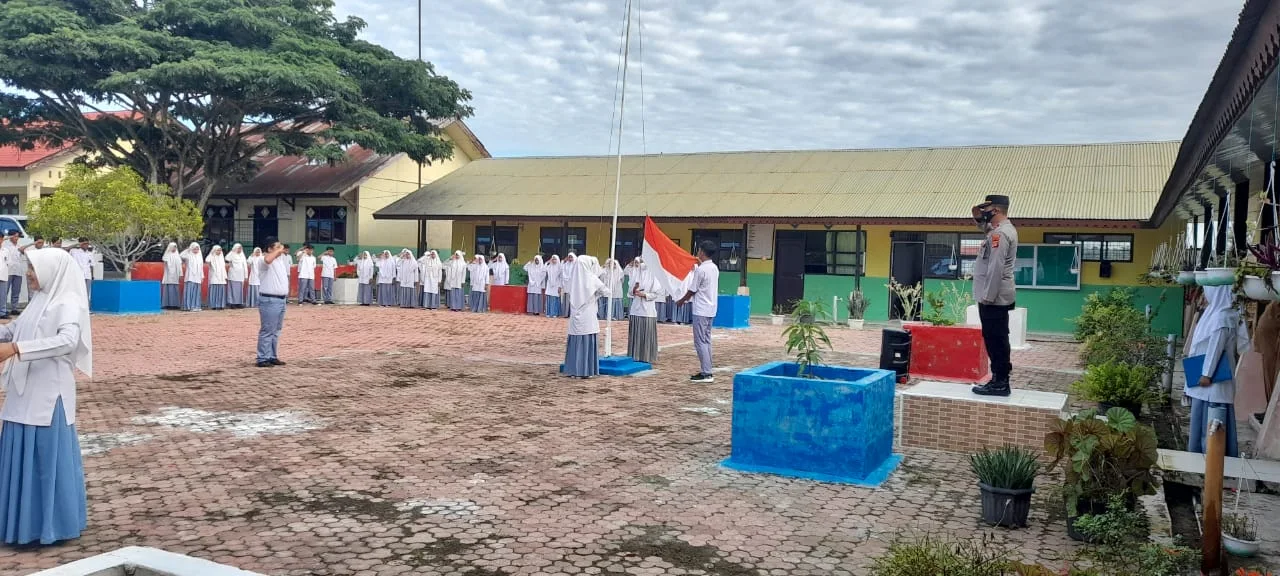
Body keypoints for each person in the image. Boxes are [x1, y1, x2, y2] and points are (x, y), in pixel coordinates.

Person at [0, 248, 92, 545]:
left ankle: (50, 526)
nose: (28, 273)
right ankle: (18, 525)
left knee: (44, 458)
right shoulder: (40, 299)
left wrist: (16, 350)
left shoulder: (68, 302)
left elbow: (67, 341)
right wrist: (8, 338)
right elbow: (15, 329)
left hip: (49, 394)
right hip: (23, 388)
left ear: (51, 269)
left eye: (33, 268)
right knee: (19, 451)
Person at [970, 194, 1019, 397]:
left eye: (987, 210)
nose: (985, 213)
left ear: (996, 210)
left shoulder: (1002, 234)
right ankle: (998, 379)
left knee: (996, 339)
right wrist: (977, 218)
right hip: (994, 296)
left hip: (994, 297)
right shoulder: (998, 231)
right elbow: (986, 229)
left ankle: (1000, 382)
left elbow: (996, 268)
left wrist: (987, 297)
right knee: (993, 337)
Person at [1186, 285, 1242, 457]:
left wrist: (1206, 374)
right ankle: (1200, 459)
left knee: (1212, 422)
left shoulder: (1223, 317)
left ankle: (1212, 464)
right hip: (1203, 377)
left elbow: (1215, 348)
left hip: (1213, 379)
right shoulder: (1213, 313)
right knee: (1201, 419)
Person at [676, 240, 720, 384]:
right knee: (706, 340)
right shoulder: (713, 268)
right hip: (711, 309)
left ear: (702, 252)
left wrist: (681, 300)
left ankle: (706, 373)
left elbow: (693, 289)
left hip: (701, 309)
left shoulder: (701, 270)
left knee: (700, 341)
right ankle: (707, 369)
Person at [562, 256, 609, 378]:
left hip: (575, 316)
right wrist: (597, 294)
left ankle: (573, 369)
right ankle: (585, 370)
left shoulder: (572, 279)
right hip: (588, 315)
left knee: (576, 340)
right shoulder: (591, 279)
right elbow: (607, 291)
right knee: (586, 338)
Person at [254, 237, 290, 368]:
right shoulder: (262, 260)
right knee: (268, 329)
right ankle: (262, 357)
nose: (281, 249)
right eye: (277, 247)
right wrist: (277, 251)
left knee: (276, 330)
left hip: (281, 300)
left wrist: (279, 251)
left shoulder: (280, 260)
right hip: (269, 299)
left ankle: (272, 355)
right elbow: (268, 259)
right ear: (269, 249)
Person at [627, 257, 664, 364]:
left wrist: (645, 295)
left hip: (648, 309)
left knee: (646, 333)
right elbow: (630, 292)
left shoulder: (653, 275)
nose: (639, 267)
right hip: (636, 308)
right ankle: (634, 355)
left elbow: (656, 293)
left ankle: (646, 356)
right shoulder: (635, 275)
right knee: (635, 333)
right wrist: (634, 290)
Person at [4, 231, 24, 314]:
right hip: (8, 272)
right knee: (5, 291)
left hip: (18, 271)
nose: (17, 238)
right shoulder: (6, 246)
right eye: (15, 236)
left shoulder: (20, 246)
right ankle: (3, 309)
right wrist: (9, 237)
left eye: (18, 236)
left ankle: (14, 308)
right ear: (10, 237)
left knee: (16, 291)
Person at [181, 243, 204, 312]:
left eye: (197, 248)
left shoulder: (200, 256)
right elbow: (181, 255)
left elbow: (201, 267)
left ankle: (196, 306)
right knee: (190, 291)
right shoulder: (188, 255)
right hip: (190, 276)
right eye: (194, 248)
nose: (196, 250)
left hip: (197, 277)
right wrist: (188, 249)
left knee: (196, 292)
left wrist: (202, 276)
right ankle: (188, 306)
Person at [160, 242, 183, 310]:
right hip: (168, 275)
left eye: (175, 247)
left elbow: (180, 266)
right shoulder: (167, 255)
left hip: (175, 276)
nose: (174, 248)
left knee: (175, 289)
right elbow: (164, 260)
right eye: (173, 247)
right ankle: (166, 304)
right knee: (168, 289)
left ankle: (175, 305)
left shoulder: (177, 256)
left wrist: (181, 274)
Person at [205, 245, 228, 310]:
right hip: (214, 276)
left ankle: (220, 305)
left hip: (221, 277)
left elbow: (223, 268)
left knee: (220, 291)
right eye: (218, 250)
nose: (219, 252)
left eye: (220, 250)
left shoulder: (221, 257)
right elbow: (207, 260)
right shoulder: (212, 257)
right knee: (214, 290)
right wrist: (211, 254)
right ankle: (213, 305)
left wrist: (225, 276)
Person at [226, 244, 248, 309]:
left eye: (240, 248)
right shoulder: (232, 254)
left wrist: (246, 276)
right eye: (238, 248)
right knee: (233, 290)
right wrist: (232, 251)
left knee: (239, 290)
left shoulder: (242, 255)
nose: (240, 250)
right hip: (233, 275)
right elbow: (226, 258)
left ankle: (238, 303)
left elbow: (245, 266)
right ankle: (232, 303)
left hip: (240, 276)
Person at [560, 252, 577, 318]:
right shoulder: (566, 264)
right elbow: (562, 271)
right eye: (569, 257)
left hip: (573, 285)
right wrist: (563, 261)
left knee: (572, 300)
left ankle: (572, 314)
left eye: (571, 257)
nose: (570, 258)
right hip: (566, 284)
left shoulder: (575, 265)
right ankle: (566, 313)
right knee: (566, 299)